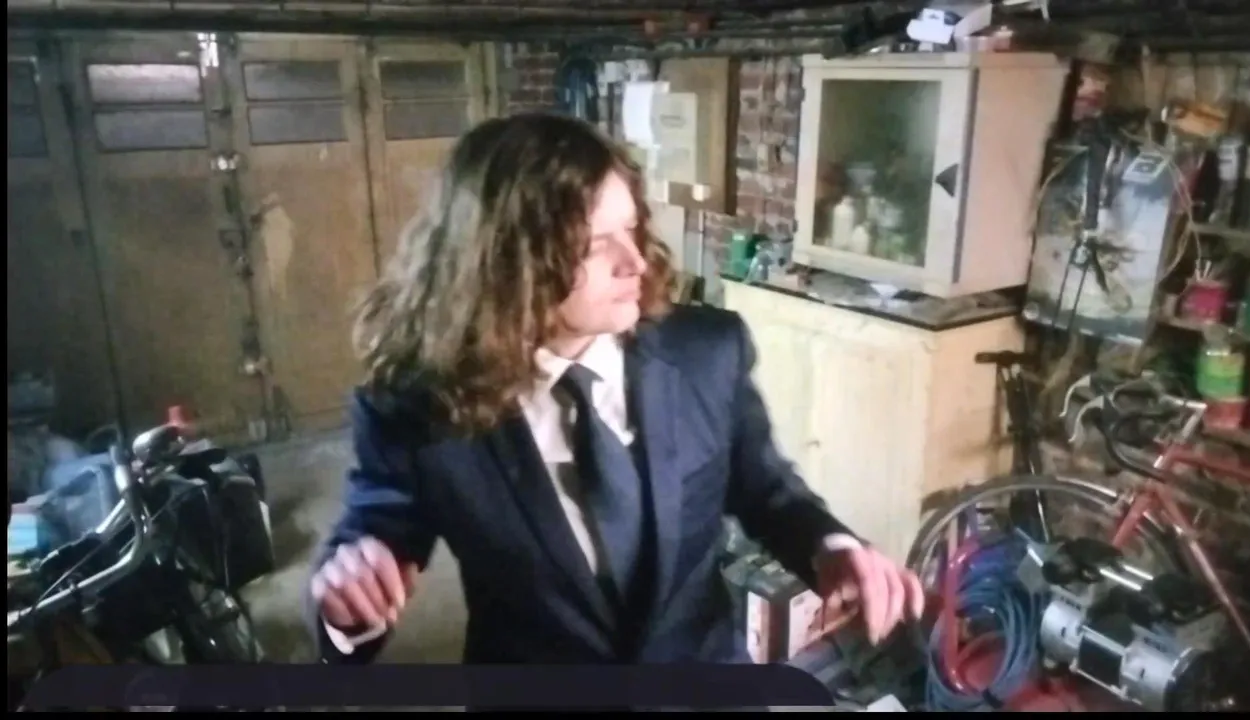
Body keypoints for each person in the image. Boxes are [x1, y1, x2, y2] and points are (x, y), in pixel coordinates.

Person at [306, 112, 924, 680]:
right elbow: (377, 533)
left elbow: (767, 490)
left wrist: (830, 547)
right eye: (594, 243)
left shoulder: (707, 352)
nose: (635, 261)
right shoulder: (417, 403)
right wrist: (347, 599)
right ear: (507, 259)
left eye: (630, 229)